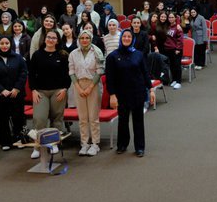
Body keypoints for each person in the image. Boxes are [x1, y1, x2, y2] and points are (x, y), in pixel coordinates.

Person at [106, 28, 154, 157]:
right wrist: (112, 95)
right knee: (123, 121)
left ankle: (140, 147)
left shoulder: (138, 54)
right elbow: (110, 78)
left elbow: (145, 73)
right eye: (124, 36)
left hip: (137, 92)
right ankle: (122, 145)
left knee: (138, 121)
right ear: (121, 38)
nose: (126, 38)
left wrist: (151, 89)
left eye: (129, 37)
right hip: (121, 94)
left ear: (132, 39)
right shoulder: (112, 56)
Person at [28, 30, 71, 159]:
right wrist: (33, 90)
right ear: (45, 39)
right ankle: (37, 146)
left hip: (58, 91)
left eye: (54, 38)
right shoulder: (37, 55)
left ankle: (53, 143)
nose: (51, 40)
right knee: (39, 118)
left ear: (57, 41)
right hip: (40, 92)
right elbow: (31, 74)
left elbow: (68, 74)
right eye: (49, 37)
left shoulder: (63, 55)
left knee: (56, 118)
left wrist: (65, 89)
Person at [0, 36, 27, 151]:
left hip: (16, 94)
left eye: (7, 43)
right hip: (1, 95)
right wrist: (1, 90)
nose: (4, 46)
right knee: (3, 118)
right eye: (2, 43)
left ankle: (19, 139)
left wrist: (16, 88)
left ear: (10, 44)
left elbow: (23, 73)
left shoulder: (18, 58)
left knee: (18, 118)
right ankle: (5, 141)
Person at [69, 29, 105, 156]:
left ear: (91, 39)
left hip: (93, 85)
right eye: (82, 38)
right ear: (79, 40)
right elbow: (71, 71)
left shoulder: (97, 52)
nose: (84, 40)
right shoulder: (73, 53)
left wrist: (90, 87)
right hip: (78, 85)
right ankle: (84, 143)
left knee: (93, 117)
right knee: (82, 118)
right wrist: (78, 88)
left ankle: (95, 144)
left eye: (87, 38)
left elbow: (100, 71)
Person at [162, 12, 184, 89]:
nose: (170, 19)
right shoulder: (167, 26)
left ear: (175, 18)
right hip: (168, 49)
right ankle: (174, 79)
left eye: (172, 17)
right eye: (169, 17)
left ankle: (178, 81)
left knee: (177, 65)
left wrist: (178, 49)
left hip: (176, 50)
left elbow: (180, 39)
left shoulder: (178, 28)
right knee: (171, 65)